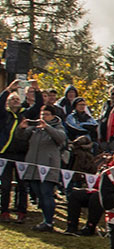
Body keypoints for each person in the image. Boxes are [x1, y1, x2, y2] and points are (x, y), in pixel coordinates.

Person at [22, 103, 66, 231]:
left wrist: (47, 127)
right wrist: (22, 128)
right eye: (42, 114)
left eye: (46, 114)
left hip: (48, 167)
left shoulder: (58, 127)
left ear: (53, 116)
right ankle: (45, 219)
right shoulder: (36, 128)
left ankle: (49, 222)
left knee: (46, 193)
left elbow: (60, 138)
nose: (43, 117)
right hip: (33, 166)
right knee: (37, 192)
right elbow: (21, 137)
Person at [63, 135, 104, 235]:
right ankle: (71, 226)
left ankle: (90, 227)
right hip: (96, 188)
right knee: (75, 195)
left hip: (112, 195)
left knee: (96, 197)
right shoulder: (110, 167)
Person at [1, 91, 30, 222]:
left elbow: (38, 106)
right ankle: (4, 211)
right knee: (5, 185)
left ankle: (21, 211)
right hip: (5, 153)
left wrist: (36, 91)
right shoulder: (4, 115)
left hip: (21, 154)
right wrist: (8, 90)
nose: (15, 101)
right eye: (12, 99)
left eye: (17, 99)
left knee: (22, 185)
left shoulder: (25, 114)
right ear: (8, 102)